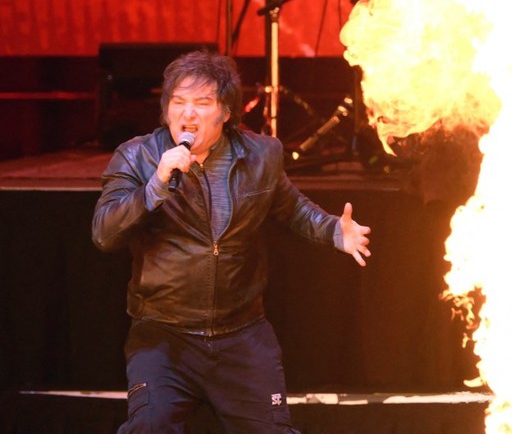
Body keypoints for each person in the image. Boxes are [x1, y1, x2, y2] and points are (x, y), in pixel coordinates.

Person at [92, 50, 371, 433]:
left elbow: (290, 208)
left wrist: (333, 231)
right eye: (178, 102)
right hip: (164, 334)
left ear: (225, 111)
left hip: (242, 335)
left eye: (202, 103)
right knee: (149, 427)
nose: (187, 115)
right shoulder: (137, 156)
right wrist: (154, 186)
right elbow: (104, 232)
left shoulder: (261, 155)